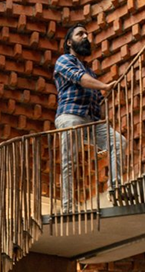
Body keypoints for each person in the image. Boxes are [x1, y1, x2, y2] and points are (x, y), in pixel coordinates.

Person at [54, 23, 126, 208]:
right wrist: (105, 86)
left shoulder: (90, 71)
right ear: (69, 42)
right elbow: (80, 79)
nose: (85, 37)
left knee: (118, 142)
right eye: (80, 34)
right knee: (69, 161)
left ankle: (115, 188)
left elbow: (96, 98)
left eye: (86, 34)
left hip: (91, 120)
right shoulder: (64, 60)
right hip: (71, 116)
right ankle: (67, 206)